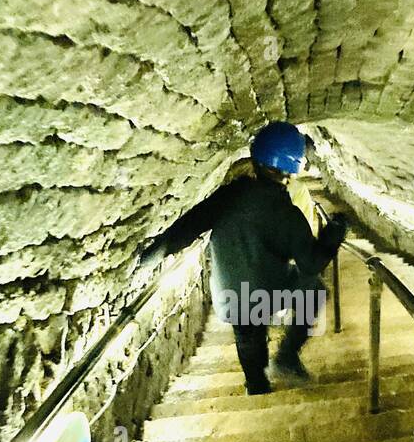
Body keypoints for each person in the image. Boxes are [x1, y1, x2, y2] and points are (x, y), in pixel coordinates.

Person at [138, 122, 348, 395]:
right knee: (315, 290)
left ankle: (257, 384)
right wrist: (334, 233)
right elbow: (311, 264)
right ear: (292, 168)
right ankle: (286, 357)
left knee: (248, 331)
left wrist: (147, 258)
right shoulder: (288, 215)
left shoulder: (228, 195)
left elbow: (186, 229)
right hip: (269, 292)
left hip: (231, 297)